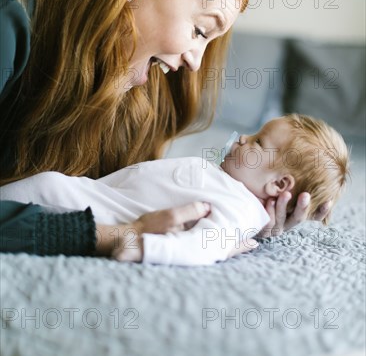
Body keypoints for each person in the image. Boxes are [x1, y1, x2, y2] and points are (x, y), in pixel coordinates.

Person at [0, 0, 330, 257]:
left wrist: (248, 211)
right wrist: (112, 236)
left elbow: (118, 194)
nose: (195, 62)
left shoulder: (126, 83)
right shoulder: (6, 14)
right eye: (200, 31)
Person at [1, 114, 349, 265]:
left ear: (278, 185)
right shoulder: (228, 183)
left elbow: (203, 247)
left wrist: (145, 247)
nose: (243, 138)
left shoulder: (241, 210)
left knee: (47, 186)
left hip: (92, 209)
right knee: (47, 183)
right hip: (95, 193)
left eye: (258, 141)